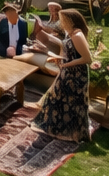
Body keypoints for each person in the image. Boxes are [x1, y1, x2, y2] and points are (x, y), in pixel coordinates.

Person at [33, 9, 93, 143]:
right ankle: (56, 129)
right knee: (56, 98)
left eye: (63, 20)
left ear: (70, 21)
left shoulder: (77, 35)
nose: (60, 23)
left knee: (71, 103)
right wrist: (53, 55)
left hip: (77, 75)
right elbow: (66, 49)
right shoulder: (69, 33)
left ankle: (70, 132)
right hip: (67, 72)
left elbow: (87, 59)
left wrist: (66, 65)